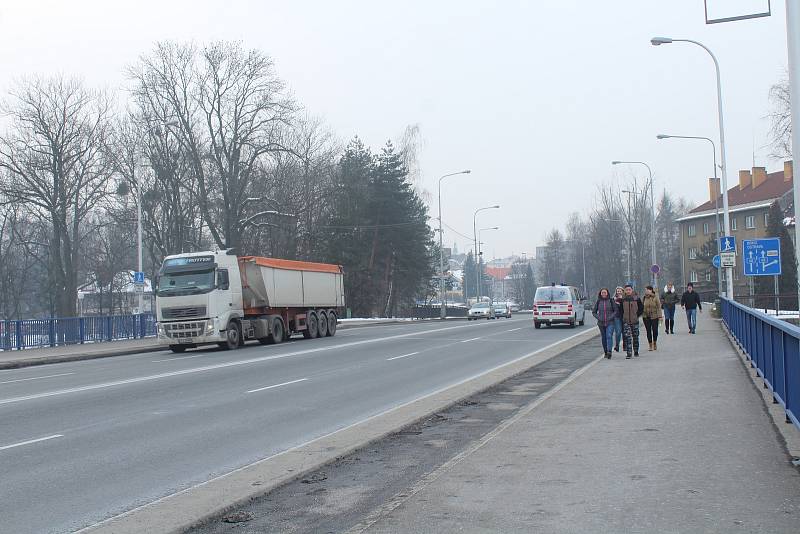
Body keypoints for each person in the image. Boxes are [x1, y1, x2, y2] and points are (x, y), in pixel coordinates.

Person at [593, 288, 617, 359]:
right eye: (602, 293)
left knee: (609, 336)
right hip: (601, 323)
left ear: (607, 293)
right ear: (600, 293)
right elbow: (594, 312)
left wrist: (611, 317)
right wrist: (599, 317)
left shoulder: (611, 300)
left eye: (605, 292)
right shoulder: (598, 301)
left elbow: (616, 311)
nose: (603, 294)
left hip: (610, 322)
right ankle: (606, 351)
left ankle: (609, 351)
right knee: (604, 338)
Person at [620, 284, 643, 359]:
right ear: (625, 291)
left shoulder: (636, 298)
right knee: (628, 337)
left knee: (635, 336)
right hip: (626, 321)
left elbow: (641, 308)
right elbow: (620, 310)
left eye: (629, 290)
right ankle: (629, 353)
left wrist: (637, 315)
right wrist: (623, 317)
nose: (628, 291)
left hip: (635, 320)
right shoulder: (623, 299)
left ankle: (636, 350)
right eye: (626, 290)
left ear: (632, 290)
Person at [642, 285, 662, 351]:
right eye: (646, 290)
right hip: (646, 317)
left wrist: (660, 316)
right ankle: (650, 345)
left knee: (655, 330)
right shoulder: (644, 298)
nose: (646, 291)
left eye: (648, 290)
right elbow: (641, 306)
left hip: (654, 316)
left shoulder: (655, 297)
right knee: (648, 331)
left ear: (651, 290)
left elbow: (659, 307)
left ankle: (655, 342)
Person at [611, 286, 624, 352]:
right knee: (618, 332)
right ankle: (617, 345)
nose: (618, 292)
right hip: (617, 317)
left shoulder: (625, 299)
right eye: (617, 291)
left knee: (625, 332)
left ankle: (625, 346)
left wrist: (621, 301)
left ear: (622, 292)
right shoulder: (613, 299)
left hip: (624, 317)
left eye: (620, 291)